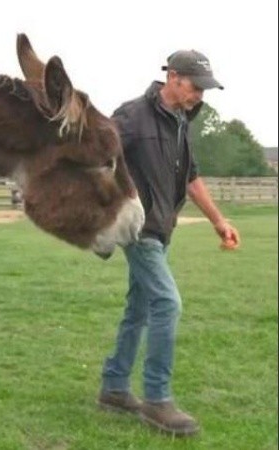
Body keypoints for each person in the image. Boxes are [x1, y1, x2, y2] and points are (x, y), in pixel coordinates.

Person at [97, 49, 241, 437]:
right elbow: (97, 160)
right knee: (167, 302)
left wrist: (219, 221)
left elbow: (191, 179)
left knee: (139, 309)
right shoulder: (130, 116)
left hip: (163, 229)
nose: (200, 95)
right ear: (173, 77)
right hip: (139, 228)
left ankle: (114, 386)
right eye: (196, 86)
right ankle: (157, 399)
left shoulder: (180, 123)